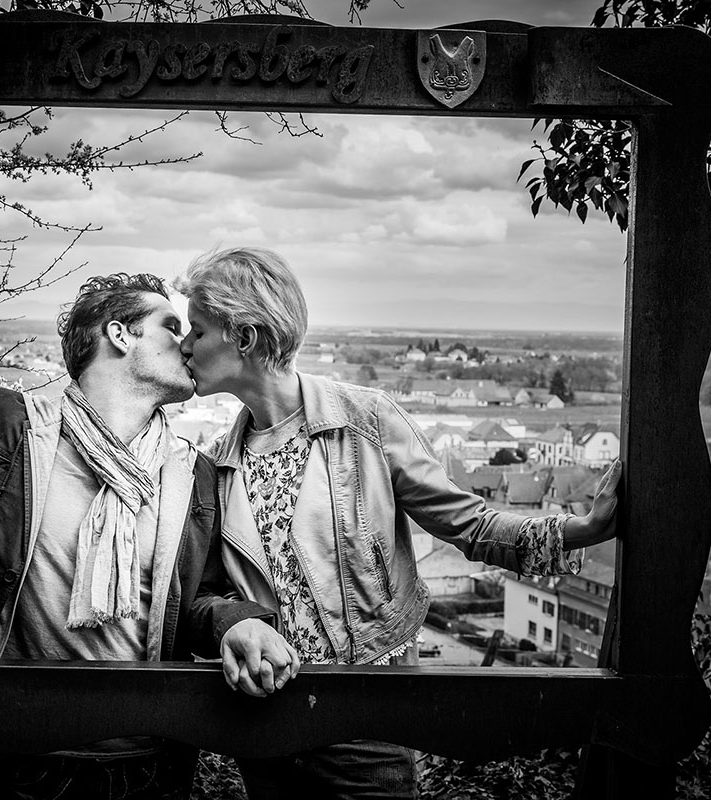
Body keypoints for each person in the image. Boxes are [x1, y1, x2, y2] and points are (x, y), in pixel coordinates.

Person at [175, 246, 621, 800]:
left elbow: (467, 524)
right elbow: (207, 592)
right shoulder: (217, 462)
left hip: (369, 717)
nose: (184, 345)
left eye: (196, 329)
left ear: (244, 336)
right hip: (266, 724)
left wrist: (582, 530)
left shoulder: (366, 422)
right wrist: (235, 625)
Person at [0, 252, 300, 800]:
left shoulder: (194, 473)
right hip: (9, 755)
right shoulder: (5, 433)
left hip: (147, 762)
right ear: (119, 334)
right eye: (170, 327)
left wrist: (238, 624)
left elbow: (198, 599)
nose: (187, 344)